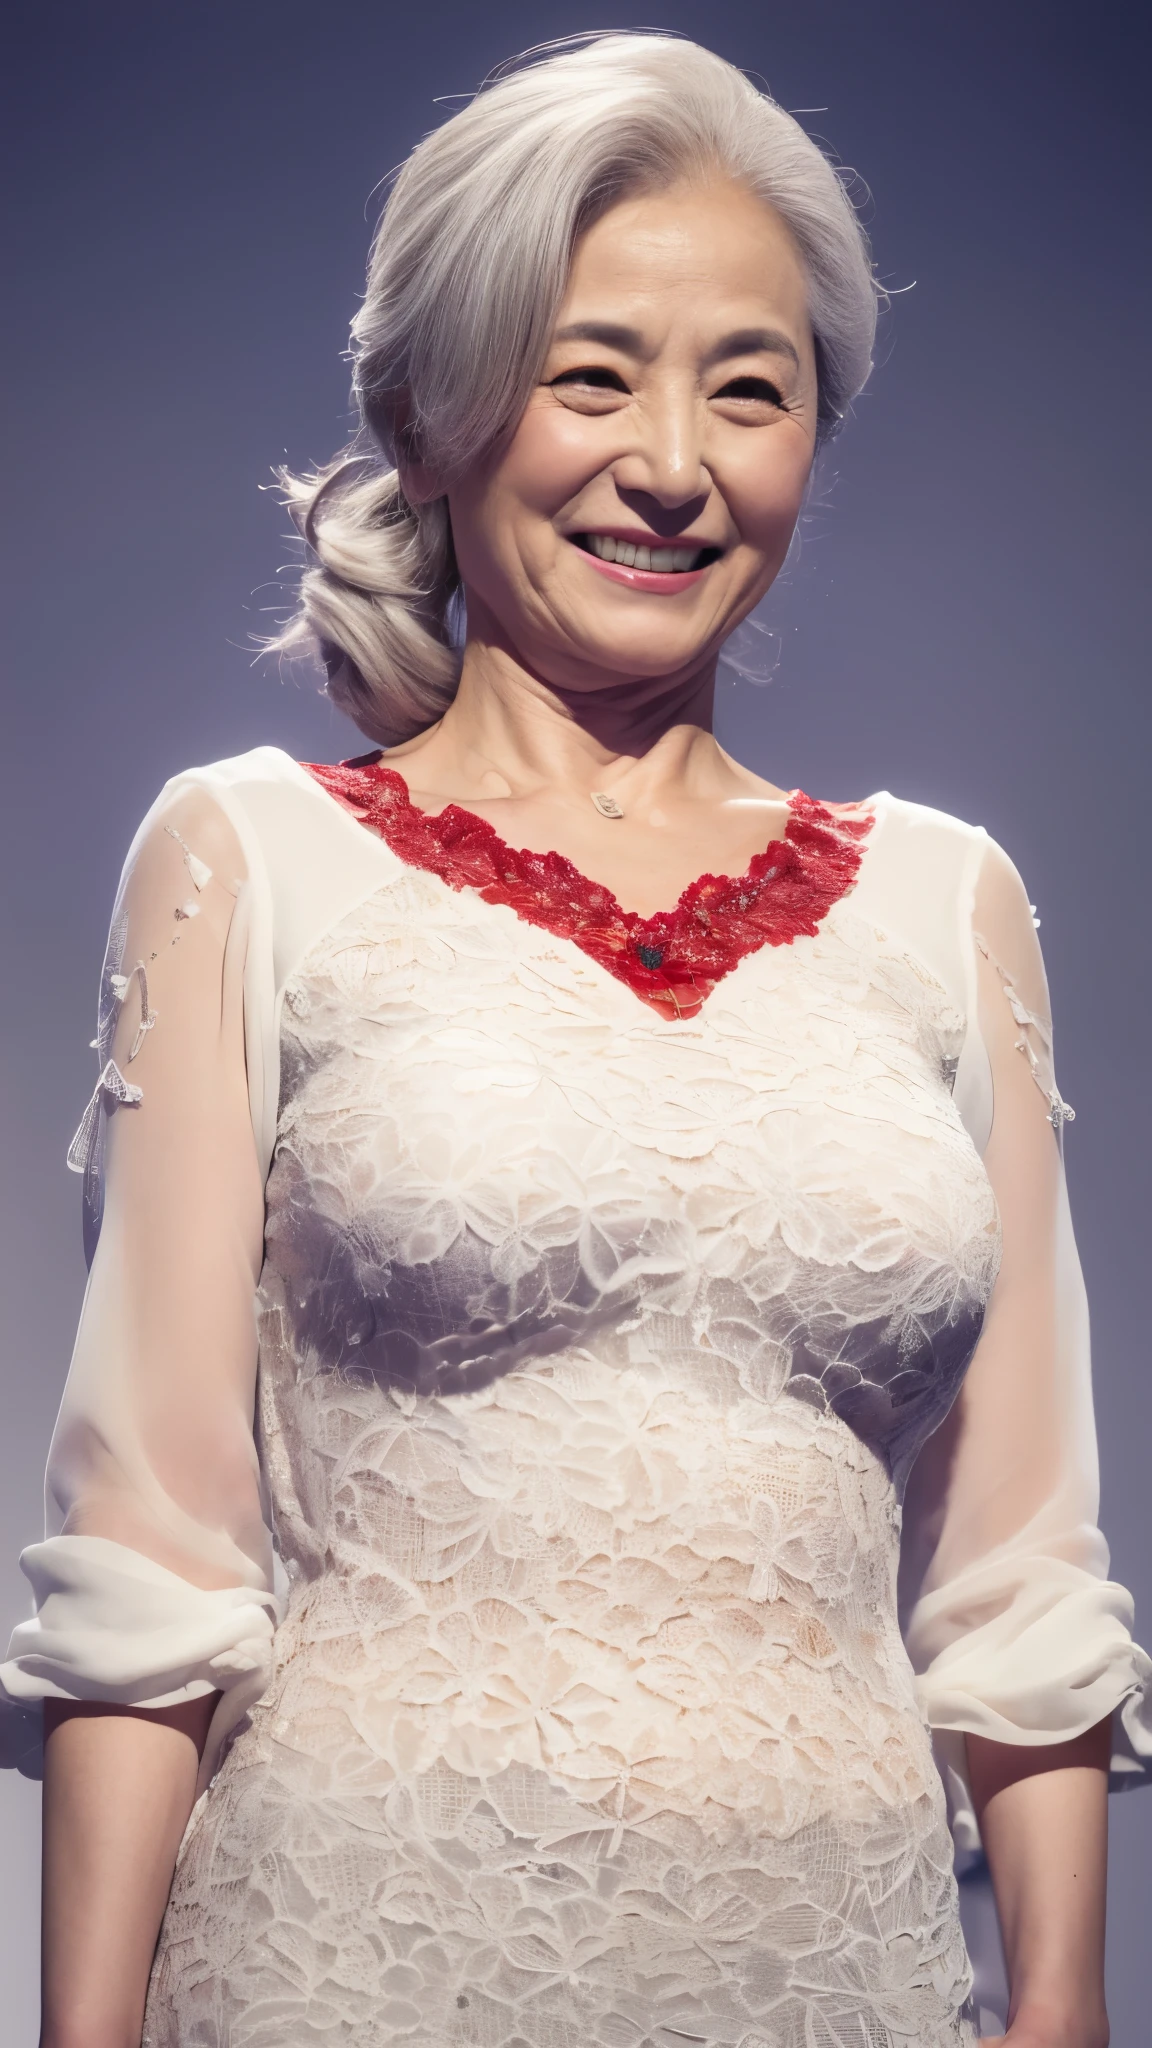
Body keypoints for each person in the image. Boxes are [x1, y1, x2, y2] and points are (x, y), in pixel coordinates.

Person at [3, 31, 1149, 2048]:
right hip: (351, 1971)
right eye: (592, 372)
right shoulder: (247, 860)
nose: (676, 463)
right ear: (438, 410)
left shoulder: (945, 905)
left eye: (753, 388)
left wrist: (1062, 2008)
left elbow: (1023, 1570)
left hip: (841, 1977)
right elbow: (147, 1560)